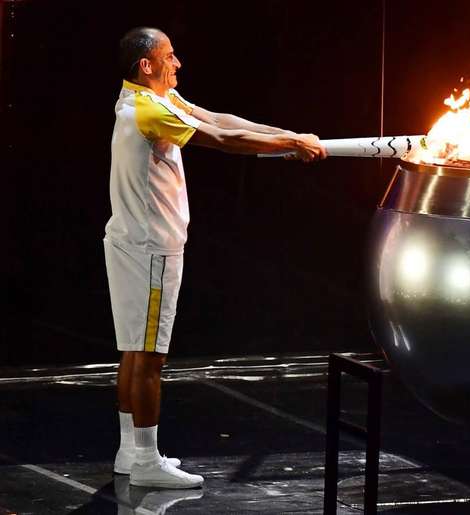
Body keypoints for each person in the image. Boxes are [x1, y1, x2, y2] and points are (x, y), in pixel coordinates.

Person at [104, 26, 326, 489]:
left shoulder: (147, 101)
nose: (178, 63)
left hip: (130, 242)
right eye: (169, 56)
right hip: (151, 250)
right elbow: (222, 142)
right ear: (146, 65)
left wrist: (290, 135)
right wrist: (290, 145)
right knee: (148, 356)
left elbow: (222, 120)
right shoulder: (148, 111)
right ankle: (146, 460)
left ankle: (130, 451)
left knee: (133, 350)